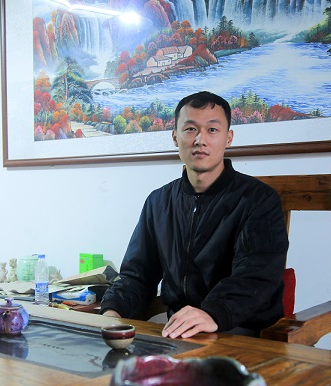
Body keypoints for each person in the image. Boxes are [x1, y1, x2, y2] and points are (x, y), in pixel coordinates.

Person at [99, 91, 289, 339]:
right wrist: (112, 311)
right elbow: (137, 275)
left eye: (212, 130)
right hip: (180, 334)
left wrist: (212, 313)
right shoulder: (158, 202)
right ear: (175, 137)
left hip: (244, 333)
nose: (200, 140)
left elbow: (256, 276)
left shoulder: (258, 200)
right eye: (190, 129)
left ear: (228, 138)